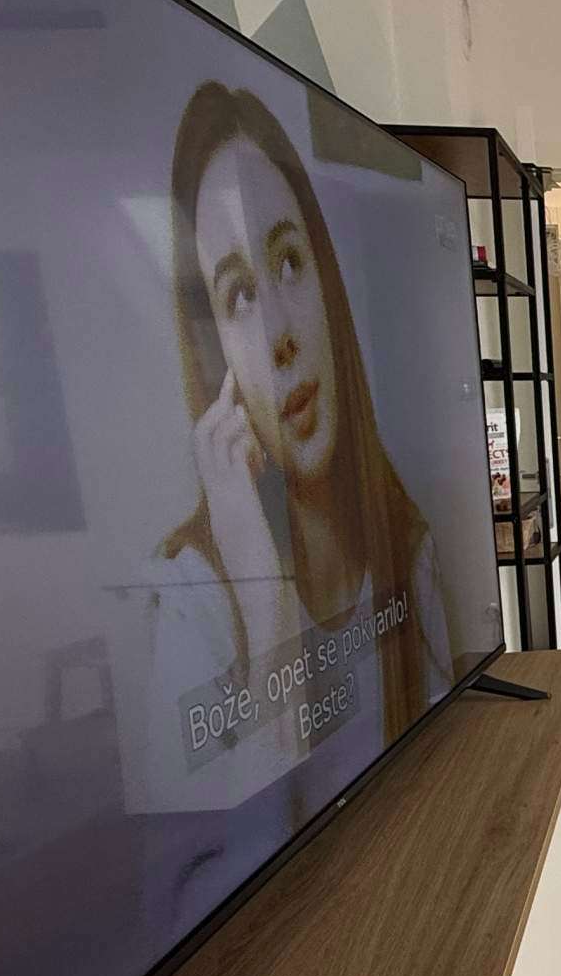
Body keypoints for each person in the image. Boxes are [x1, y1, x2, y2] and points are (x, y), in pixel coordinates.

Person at [141, 81, 452, 816]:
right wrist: (266, 604)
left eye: (287, 263)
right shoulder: (191, 601)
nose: (278, 335)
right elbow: (228, 867)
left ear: (328, 288)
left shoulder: (408, 550)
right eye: (239, 296)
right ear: (218, 361)